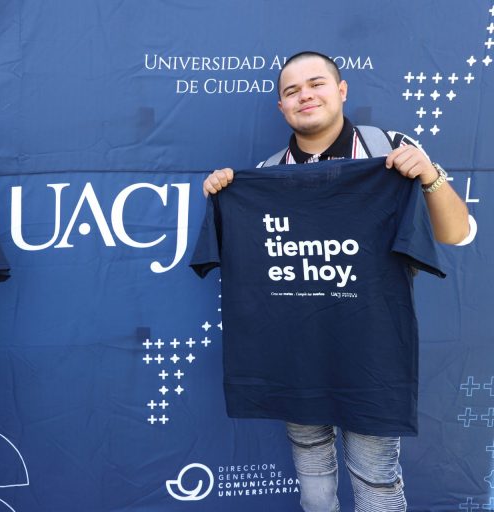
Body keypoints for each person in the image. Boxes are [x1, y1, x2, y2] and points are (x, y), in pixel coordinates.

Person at [201, 51, 469, 511]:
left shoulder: (390, 149)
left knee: (377, 483)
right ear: (281, 107)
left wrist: (429, 175)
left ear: (342, 90)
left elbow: (459, 233)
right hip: (297, 357)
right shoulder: (266, 175)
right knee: (312, 474)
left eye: (316, 83)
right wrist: (226, 193)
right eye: (291, 91)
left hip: (371, 356)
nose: (304, 95)